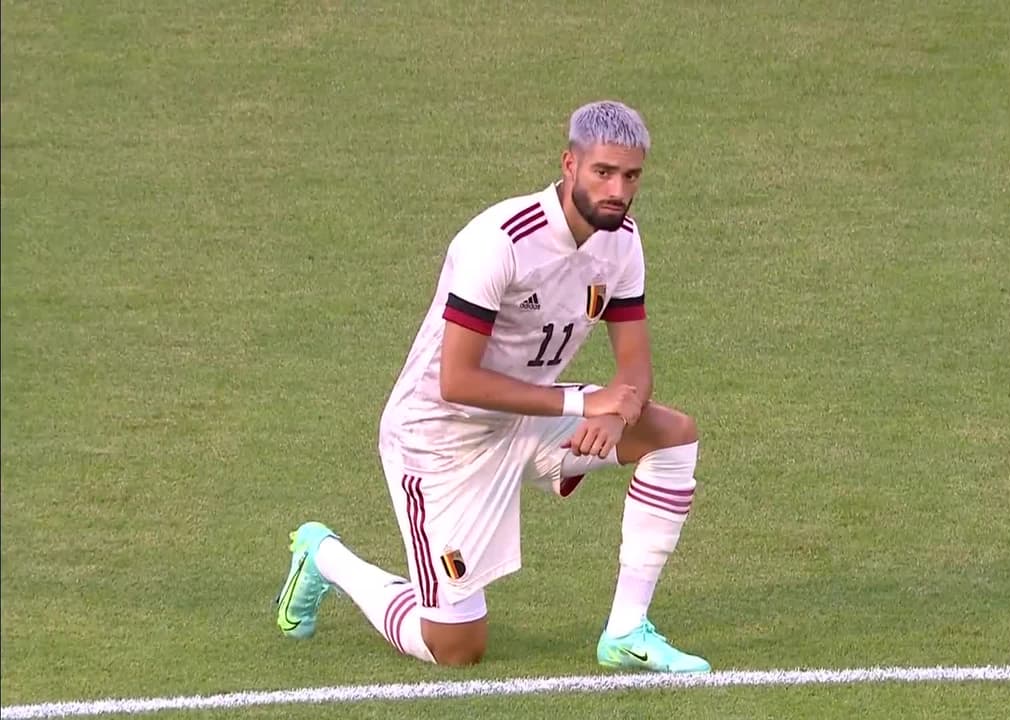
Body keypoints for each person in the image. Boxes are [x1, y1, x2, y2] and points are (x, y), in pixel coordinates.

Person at [274, 100, 709, 673]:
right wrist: (584, 402)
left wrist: (614, 414)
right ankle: (324, 555)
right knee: (458, 648)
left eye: (631, 176)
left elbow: (635, 370)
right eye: (604, 172)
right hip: (439, 441)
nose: (618, 191)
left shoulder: (622, 240)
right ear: (570, 164)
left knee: (671, 435)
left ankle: (626, 632)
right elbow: (457, 381)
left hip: (526, 418)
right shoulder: (499, 241)